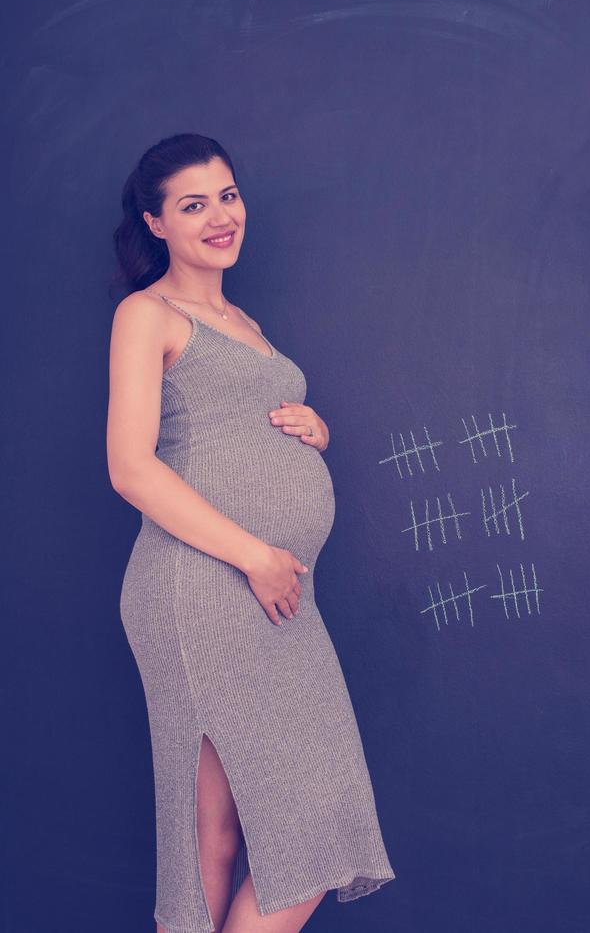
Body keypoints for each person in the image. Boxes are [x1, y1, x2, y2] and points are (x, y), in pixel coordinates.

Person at [106, 132, 395, 933]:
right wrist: (254, 554)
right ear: (156, 223)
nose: (219, 216)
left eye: (226, 195)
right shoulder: (147, 314)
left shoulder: (243, 319)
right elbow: (130, 467)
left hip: (273, 588)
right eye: (192, 204)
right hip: (203, 582)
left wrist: (313, 432)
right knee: (216, 833)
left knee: (287, 825)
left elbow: (237, 424)